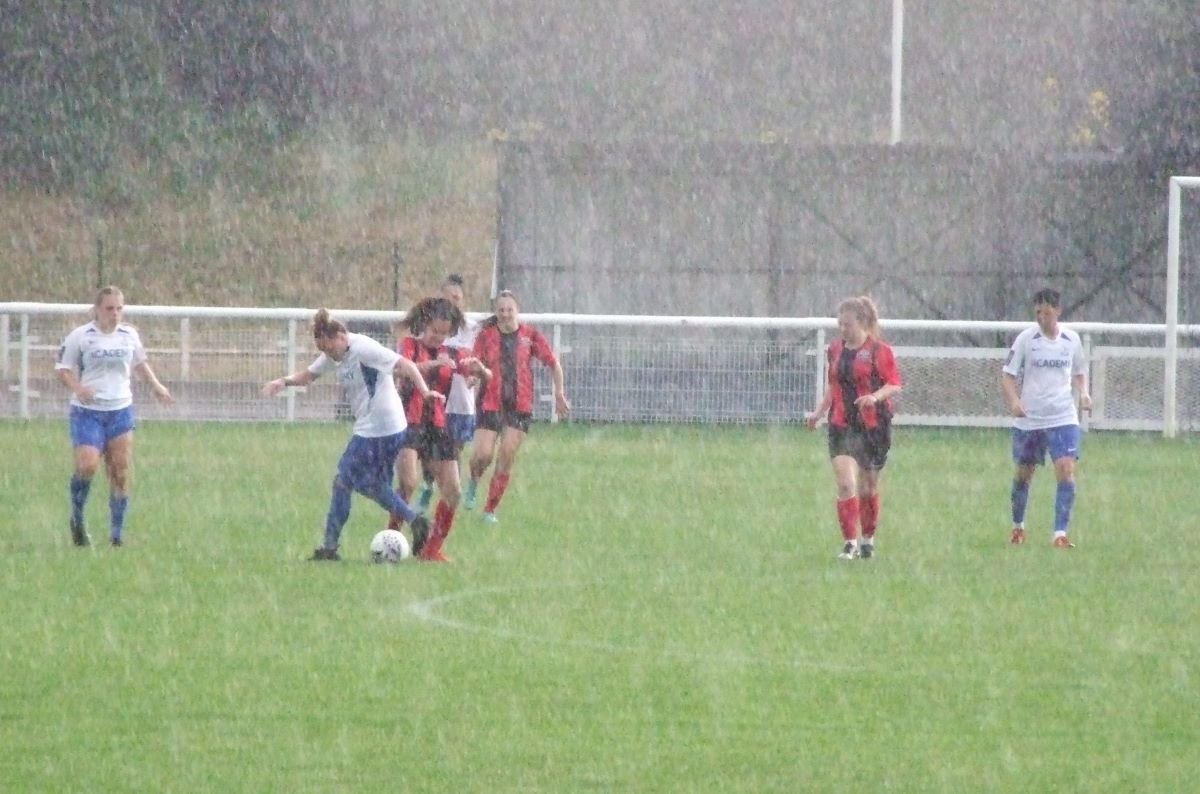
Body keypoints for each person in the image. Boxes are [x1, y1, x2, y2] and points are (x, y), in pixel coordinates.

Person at [262, 308, 438, 561]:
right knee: (371, 484)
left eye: (330, 348)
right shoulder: (334, 354)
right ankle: (416, 521)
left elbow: (406, 365)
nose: (328, 354)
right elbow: (309, 375)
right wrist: (284, 381)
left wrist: (425, 392)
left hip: (379, 427)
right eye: (323, 349)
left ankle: (330, 548)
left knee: (344, 480)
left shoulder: (364, 348)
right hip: (384, 428)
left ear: (342, 336)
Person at [55, 285, 175, 547]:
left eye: (119, 308)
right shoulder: (81, 336)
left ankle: (117, 536)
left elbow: (140, 364)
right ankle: (77, 517)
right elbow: (63, 369)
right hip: (88, 412)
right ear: (97, 310)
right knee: (87, 465)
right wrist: (79, 388)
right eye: (109, 308)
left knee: (119, 472)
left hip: (120, 410)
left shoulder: (129, 335)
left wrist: (157, 387)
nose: (115, 313)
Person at [389, 297, 490, 562]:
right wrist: (434, 365)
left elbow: (482, 374)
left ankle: (430, 550)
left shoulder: (453, 354)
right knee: (408, 483)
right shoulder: (409, 346)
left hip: (437, 427)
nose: (439, 338)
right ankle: (391, 538)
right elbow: (402, 370)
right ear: (424, 325)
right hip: (408, 424)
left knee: (453, 491)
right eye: (435, 331)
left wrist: (480, 371)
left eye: (444, 333)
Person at [806, 296, 903, 560]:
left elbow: (894, 383)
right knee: (846, 485)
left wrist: (874, 397)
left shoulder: (878, 351)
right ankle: (849, 542)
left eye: (847, 324)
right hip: (841, 424)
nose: (843, 330)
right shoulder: (835, 350)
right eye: (840, 325)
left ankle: (868, 538)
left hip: (873, 427)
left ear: (862, 323)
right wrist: (818, 413)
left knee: (868, 488)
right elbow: (834, 386)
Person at [464, 289, 570, 523]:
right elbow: (475, 363)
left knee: (506, 457)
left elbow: (553, 364)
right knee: (482, 455)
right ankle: (473, 481)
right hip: (490, 403)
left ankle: (489, 510)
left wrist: (559, 393)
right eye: (501, 310)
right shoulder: (486, 336)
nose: (505, 314)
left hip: (519, 406)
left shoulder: (530, 336)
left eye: (509, 310)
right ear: (496, 312)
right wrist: (472, 376)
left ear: (517, 311)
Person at [1001, 288, 1091, 548]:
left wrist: (1084, 393)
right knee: (1023, 475)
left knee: (1066, 470)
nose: (1041, 316)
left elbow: (1079, 371)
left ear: (1058, 311)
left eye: (1046, 311)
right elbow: (1007, 376)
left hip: (1063, 417)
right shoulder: (1026, 341)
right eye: (1037, 312)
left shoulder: (1071, 340)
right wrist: (1015, 402)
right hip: (1031, 420)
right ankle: (1018, 527)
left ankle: (1059, 534)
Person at [413, 274, 482, 514]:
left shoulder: (471, 328)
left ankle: (449, 495)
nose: (454, 302)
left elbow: (476, 360)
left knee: (454, 451)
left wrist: (475, 374)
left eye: (458, 298)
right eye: (449, 297)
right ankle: (428, 485)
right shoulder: (428, 325)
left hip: (461, 401)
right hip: (435, 402)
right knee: (429, 452)